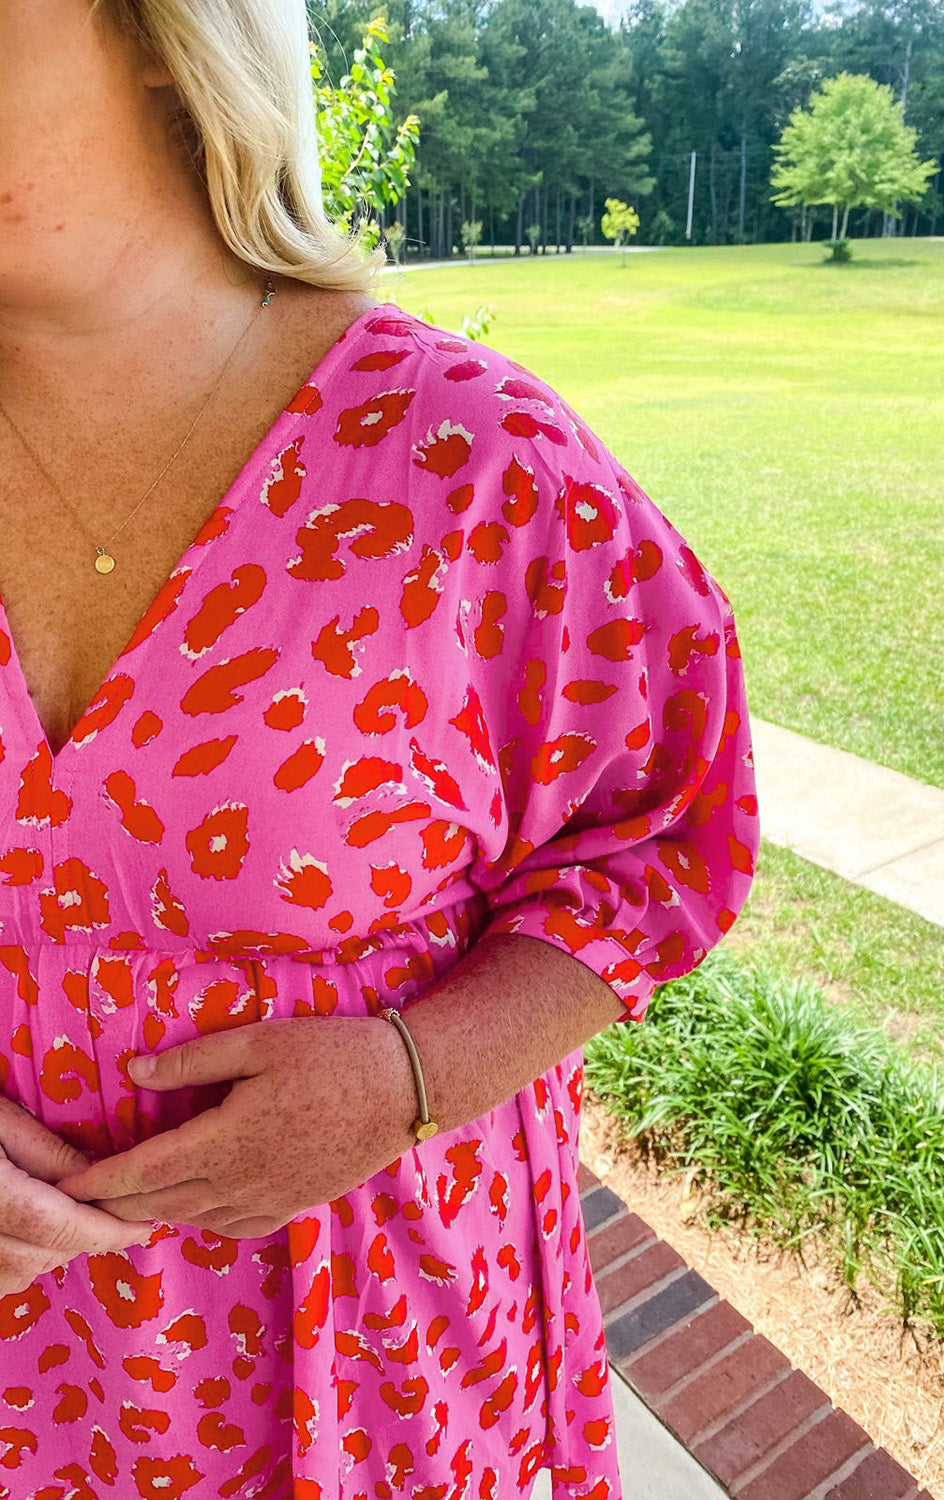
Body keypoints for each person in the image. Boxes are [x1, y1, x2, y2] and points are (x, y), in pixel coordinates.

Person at [0, 1, 759, 1496]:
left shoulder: (470, 462)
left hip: (375, 1369)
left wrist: (411, 1073)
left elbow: (666, 831)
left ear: (159, 26)